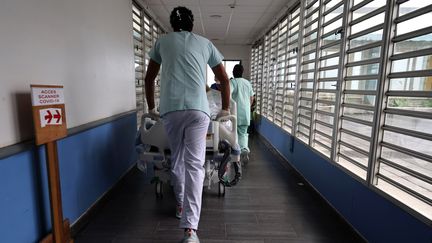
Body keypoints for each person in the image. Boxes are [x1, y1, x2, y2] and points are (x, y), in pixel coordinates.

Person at [143, 6, 231, 243]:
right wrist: (225, 109)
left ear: (172, 25)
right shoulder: (204, 43)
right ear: (192, 24)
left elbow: (149, 78)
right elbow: (223, 78)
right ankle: (190, 231)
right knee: (195, 165)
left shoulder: (162, 43)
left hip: (171, 110)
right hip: (198, 111)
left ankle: (180, 205)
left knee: (178, 160)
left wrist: (152, 108)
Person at [229, 64, 254, 164]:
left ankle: (236, 154)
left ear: (233, 73)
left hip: (235, 112)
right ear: (242, 72)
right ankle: (244, 150)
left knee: (233, 133)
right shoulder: (248, 83)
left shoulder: (232, 82)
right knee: (243, 134)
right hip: (245, 113)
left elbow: (228, 94)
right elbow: (252, 98)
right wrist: (247, 106)